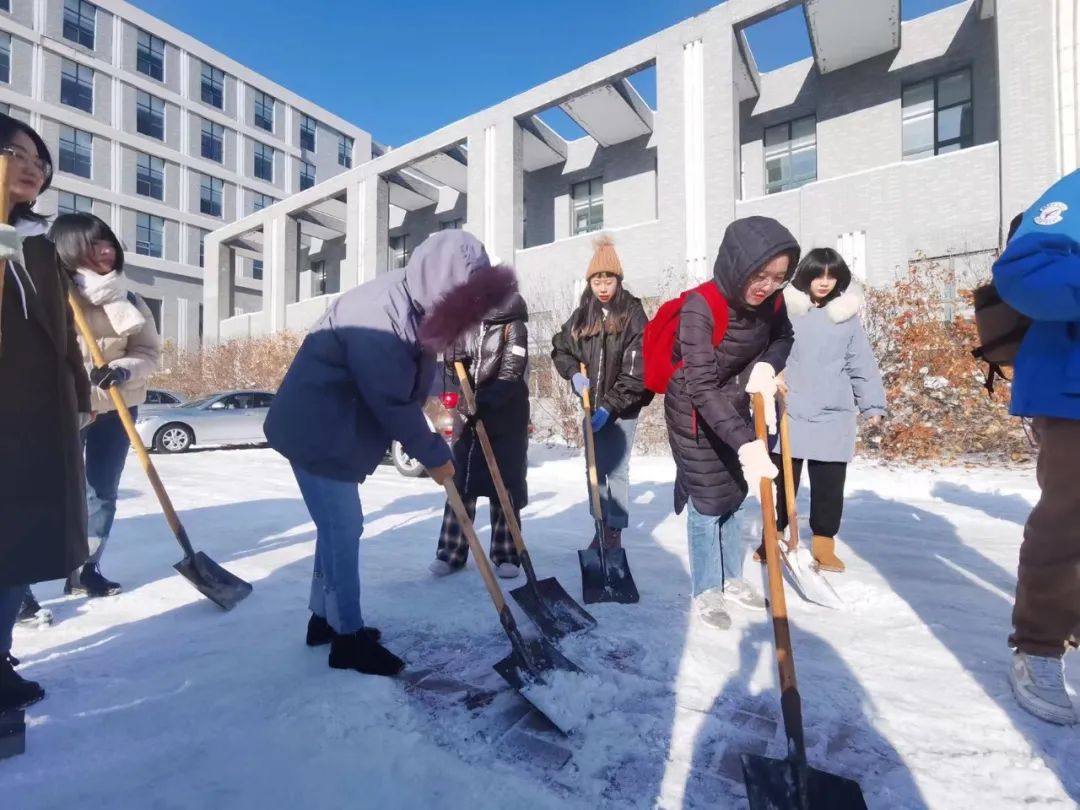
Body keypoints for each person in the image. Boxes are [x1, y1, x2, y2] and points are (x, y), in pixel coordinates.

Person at [264, 230, 516, 679]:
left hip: (336, 426)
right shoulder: (380, 313)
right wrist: (433, 453)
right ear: (445, 281)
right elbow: (389, 399)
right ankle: (348, 640)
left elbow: (416, 374)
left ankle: (323, 619)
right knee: (343, 528)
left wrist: (443, 401)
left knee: (335, 528)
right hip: (317, 429)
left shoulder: (416, 302)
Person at [664, 216, 799, 629]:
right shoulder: (700, 306)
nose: (767, 286)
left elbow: (784, 337)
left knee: (736, 496)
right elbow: (701, 387)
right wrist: (746, 444)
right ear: (739, 264)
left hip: (738, 405)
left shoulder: (773, 302)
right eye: (760, 275)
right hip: (693, 412)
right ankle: (707, 588)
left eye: (778, 277)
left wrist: (767, 366)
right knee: (708, 502)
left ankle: (731, 578)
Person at [0, 113, 91, 711]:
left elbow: (63, 334)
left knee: (18, 543)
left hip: (33, 415)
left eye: (39, 158)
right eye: (16, 152)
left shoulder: (39, 242)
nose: (32, 166)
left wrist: (79, 394)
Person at [994, 173, 1080, 726]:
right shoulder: (1075, 194)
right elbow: (1021, 271)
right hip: (1073, 390)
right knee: (1067, 520)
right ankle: (1040, 645)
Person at [50, 212, 161, 597]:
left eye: (109, 242)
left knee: (101, 493)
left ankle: (86, 569)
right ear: (67, 249)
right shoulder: (45, 294)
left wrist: (122, 370)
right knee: (42, 491)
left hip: (116, 408)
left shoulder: (130, 300)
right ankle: (19, 587)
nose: (106, 250)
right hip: (62, 408)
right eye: (94, 243)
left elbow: (149, 353)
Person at [767, 248, 885, 572]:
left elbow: (861, 364)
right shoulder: (785, 310)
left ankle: (823, 545)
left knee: (829, 486)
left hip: (833, 412)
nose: (824, 282)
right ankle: (773, 537)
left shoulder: (845, 317)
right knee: (781, 483)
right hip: (788, 408)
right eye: (818, 274)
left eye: (832, 276)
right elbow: (765, 350)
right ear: (805, 275)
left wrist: (872, 405)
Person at [551, 235, 652, 550]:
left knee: (617, 469)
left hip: (623, 408)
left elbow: (636, 372)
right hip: (590, 406)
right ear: (590, 283)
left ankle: (614, 532)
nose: (603, 288)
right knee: (595, 468)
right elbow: (560, 348)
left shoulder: (633, 313)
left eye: (608, 281)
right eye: (597, 281)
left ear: (618, 280)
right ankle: (600, 524)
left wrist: (609, 406)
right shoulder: (584, 314)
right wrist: (572, 374)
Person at [430, 292, 530, 579]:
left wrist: (481, 404)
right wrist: (452, 355)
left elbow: (510, 374)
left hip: (505, 416)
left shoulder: (513, 326)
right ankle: (451, 552)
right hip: (469, 413)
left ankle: (507, 554)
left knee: (504, 483)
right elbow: (454, 369)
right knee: (461, 481)